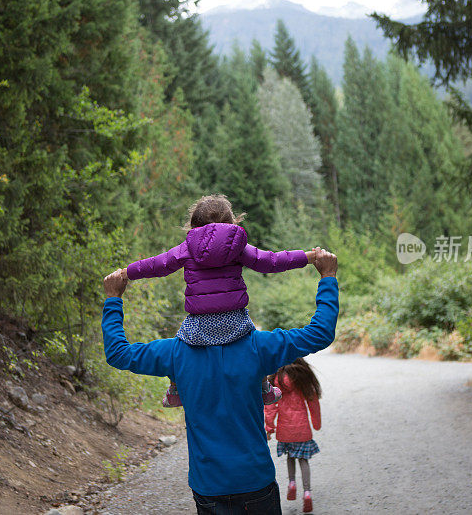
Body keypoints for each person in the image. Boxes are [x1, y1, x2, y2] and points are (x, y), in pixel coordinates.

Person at [101, 247, 338, 514]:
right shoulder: (260, 347)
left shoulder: (175, 353)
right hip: (255, 481)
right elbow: (320, 333)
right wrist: (327, 277)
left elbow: (118, 354)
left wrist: (113, 299)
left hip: (208, 486)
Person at [118, 195, 316, 408]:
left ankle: (175, 389)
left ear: (193, 224)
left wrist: (126, 273)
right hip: (236, 323)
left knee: (178, 348)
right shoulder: (238, 246)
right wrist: (307, 257)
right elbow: (271, 261)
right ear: (232, 222)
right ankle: (264, 388)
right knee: (254, 347)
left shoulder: (187, 248)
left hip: (199, 325)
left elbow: (157, 264)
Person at [264, 358, 322, 513]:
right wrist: (316, 422)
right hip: (302, 429)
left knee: (290, 456)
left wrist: (269, 428)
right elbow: (313, 401)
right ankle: (307, 492)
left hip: (285, 430)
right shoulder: (302, 378)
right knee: (303, 460)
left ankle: (291, 483)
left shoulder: (277, 379)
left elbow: (271, 407)